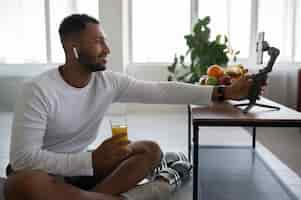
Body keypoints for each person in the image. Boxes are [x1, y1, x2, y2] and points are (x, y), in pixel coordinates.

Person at [4, 14, 259, 200]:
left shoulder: (108, 82)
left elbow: (160, 90)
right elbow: (22, 159)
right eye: (98, 42)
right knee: (23, 184)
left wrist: (223, 92)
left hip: (82, 169)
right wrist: (89, 160)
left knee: (149, 150)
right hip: (43, 174)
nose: (107, 49)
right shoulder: (38, 90)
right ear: (73, 48)